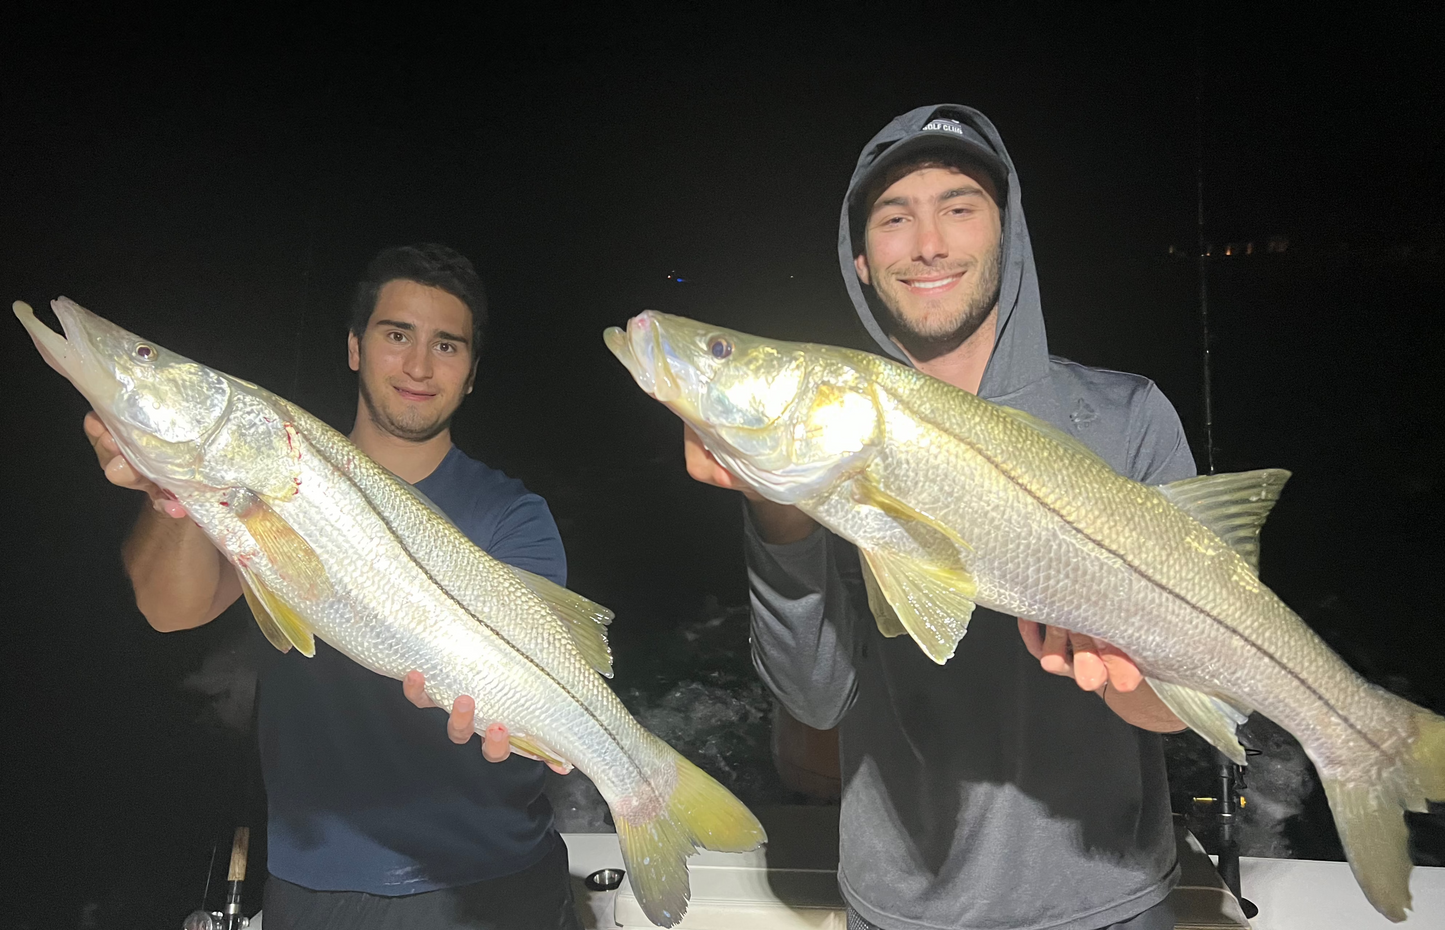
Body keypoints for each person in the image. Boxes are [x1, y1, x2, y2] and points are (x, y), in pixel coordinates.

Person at [686, 105, 1195, 930]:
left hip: (1108, 900)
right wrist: (775, 511)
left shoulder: (1127, 416)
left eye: (958, 208)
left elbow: (1175, 711)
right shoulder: (833, 429)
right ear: (860, 259)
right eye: (894, 217)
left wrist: (1131, 666)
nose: (927, 243)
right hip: (902, 909)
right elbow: (816, 701)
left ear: (1007, 236)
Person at [86, 244, 581, 930]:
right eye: (396, 334)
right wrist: (170, 490)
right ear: (354, 347)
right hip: (315, 881)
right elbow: (171, 609)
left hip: (490, 881)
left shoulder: (510, 514)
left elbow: (528, 681)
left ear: (470, 374)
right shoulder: (275, 478)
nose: (417, 365)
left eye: (447, 345)